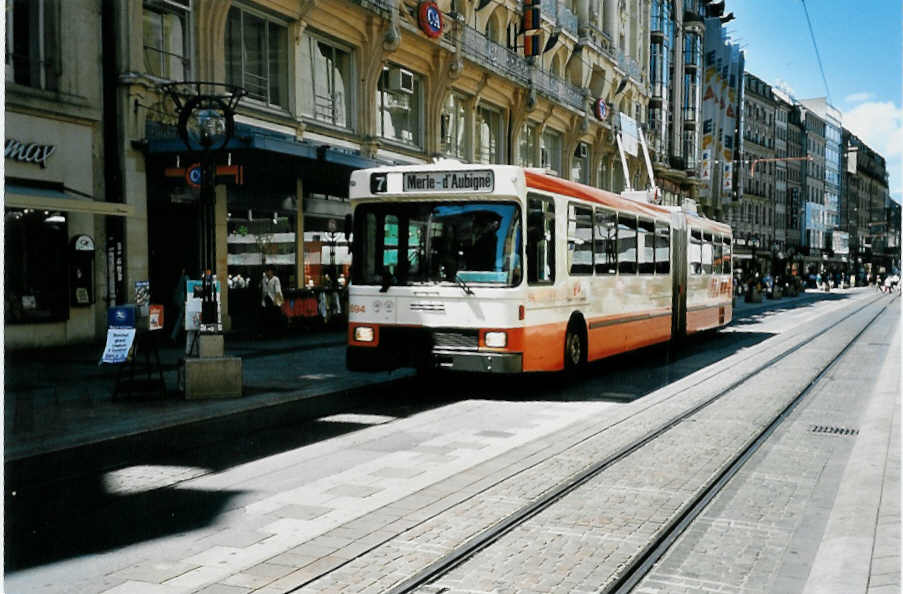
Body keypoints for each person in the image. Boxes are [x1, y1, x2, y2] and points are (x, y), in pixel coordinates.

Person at [170, 267, 189, 343]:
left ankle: (174, 336)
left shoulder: (179, 278)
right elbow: (188, 287)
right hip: (183, 300)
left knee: (181, 318)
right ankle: (175, 336)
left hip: (179, 300)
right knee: (182, 318)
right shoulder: (185, 277)